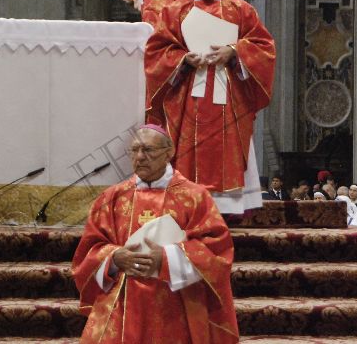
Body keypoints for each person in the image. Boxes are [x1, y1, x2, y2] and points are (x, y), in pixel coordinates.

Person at [72, 124, 239, 343]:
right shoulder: (111, 198)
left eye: (148, 150)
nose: (140, 157)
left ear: (169, 153)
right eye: (135, 150)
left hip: (176, 303)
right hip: (122, 303)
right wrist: (114, 258)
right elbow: (89, 249)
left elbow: (216, 250)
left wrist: (168, 258)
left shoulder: (195, 197)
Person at [144, 0, 276, 214]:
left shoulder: (240, 10)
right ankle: (187, 204)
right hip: (189, 96)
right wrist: (182, 59)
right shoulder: (175, 11)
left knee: (227, 146)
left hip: (228, 96)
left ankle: (229, 208)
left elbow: (264, 48)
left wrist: (234, 51)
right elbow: (155, 52)